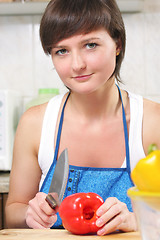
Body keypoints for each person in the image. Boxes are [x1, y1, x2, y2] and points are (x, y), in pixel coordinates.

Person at [5, 0, 160, 236]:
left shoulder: (152, 122)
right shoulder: (34, 124)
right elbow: (13, 210)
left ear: (117, 44)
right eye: (62, 51)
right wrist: (30, 214)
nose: (77, 65)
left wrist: (137, 219)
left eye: (90, 45)